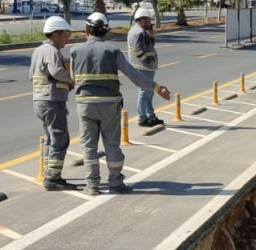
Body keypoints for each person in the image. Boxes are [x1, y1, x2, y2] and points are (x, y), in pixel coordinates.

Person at [70, 12, 171, 195]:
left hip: (85, 105)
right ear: (106, 32)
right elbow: (133, 74)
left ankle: (92, 185)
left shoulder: (75, 51)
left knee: (89, 146)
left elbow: (72, 79)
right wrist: (156, 87)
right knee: (111, 144)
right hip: (109, 105)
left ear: (86, 31)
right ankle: (116, 182)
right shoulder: (112, 50)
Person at [30, 16, 77, 191]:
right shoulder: (52, 51)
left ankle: (50, 173)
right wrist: (71, 81)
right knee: (60, 139)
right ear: (56, 35)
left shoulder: (38, 51)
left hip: (40, 101)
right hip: (52, 100)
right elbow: (56, 71)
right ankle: (53, 178)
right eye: (65, 35)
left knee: (51, 139)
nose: (67, 39)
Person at [127, 5, 163, 127]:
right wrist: (149, 62)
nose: (149, 22)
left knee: (148, 93)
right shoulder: (139, 33)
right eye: (147, 20)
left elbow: (149, 45)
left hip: (141, 67)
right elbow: (138, 51)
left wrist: (151, 36)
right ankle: (142, 118)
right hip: (143, 68)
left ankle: (151, 116)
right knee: (144, 94)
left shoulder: (136, 30)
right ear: (141, 20)